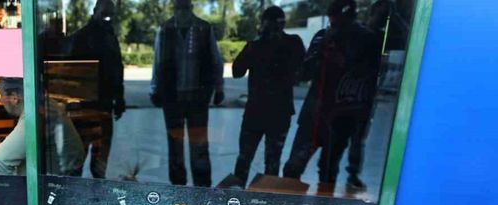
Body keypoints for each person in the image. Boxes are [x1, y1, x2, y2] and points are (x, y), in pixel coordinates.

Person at [281, 0, 381, 194]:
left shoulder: (367, 40)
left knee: (328, 172)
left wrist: (344, 62)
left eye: (340, 20)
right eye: (332, 19)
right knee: (293, 167)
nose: (334, 24)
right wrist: (316, 55)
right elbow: (303, 74)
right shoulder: (322, 36)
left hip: (341, 117)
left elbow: (370, 76)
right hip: (313, 116)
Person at [219, 7, 305, 189]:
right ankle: (264, 197)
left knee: (246, 159)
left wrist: (257, 44)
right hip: (275, 112)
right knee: (270, 161)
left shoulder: (261, 45)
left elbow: (237, 71)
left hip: (259, 112)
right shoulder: (291, 43)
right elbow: (303, 73)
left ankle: (239, 195)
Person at [150, 0, 224, 187]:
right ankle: (178, 186)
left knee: (199, 145)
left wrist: (219, 88)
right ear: (174, 9)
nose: (182, 11)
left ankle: (202, 187)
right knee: (175, 145)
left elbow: (216, 59)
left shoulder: (204, 28)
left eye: (185, 7)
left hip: (198, 98)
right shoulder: (164, 29)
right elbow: (157, 60)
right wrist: (155, 88)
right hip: (172, 97)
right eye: (179, 7)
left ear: (191, 8)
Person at [0, 78, 85, 176]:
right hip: (64, 176)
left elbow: (2, 159)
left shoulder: (34, 113)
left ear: (14, 98)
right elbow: (29, 147)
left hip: (56, 183)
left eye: (1, 94)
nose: (0, 100)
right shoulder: (43, 105)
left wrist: (3, 192)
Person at [70, 0, 126, 179]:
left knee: (99, 156)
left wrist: (119, 97)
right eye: (105, 14)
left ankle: (93, 187)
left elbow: (117, 68)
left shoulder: (108, 36)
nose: (108, 18)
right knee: (82, 155)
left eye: (110, 15)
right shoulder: (84, 37)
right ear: (95, 11)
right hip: (87, 105)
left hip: (103, 104)